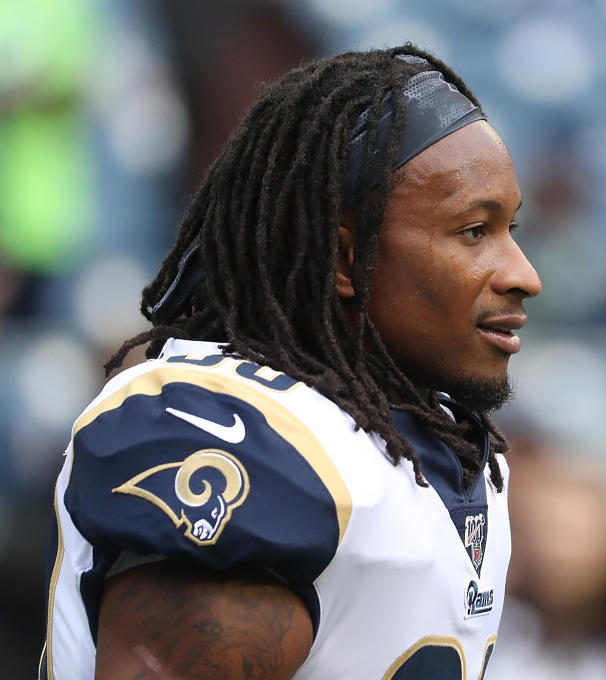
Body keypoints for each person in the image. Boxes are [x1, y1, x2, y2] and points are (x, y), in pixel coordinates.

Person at [40, 44, 541, 679]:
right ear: (342, 260)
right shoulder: (246, 434)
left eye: (511, 231)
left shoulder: (445, 446)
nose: (525, 276)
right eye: (474, 231)